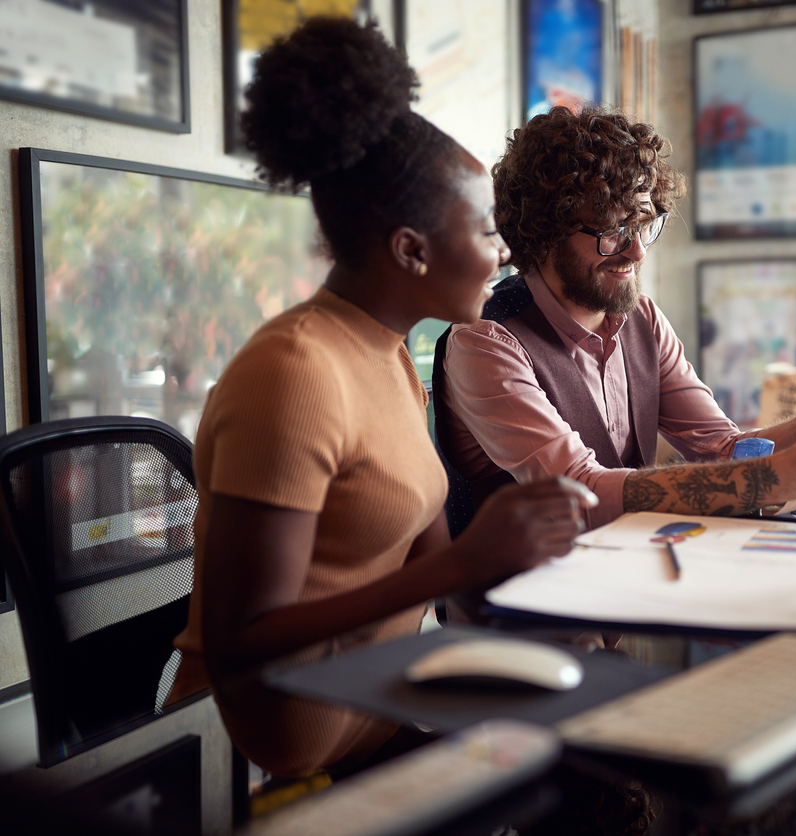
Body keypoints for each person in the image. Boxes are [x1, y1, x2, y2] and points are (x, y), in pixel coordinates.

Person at [165, 19, 593, 779]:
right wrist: (468, 562)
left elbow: (436, 564)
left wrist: (542, 562)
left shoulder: (395, 353)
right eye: (488, 232)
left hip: (380, 714)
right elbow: (242, 640)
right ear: (410, 249)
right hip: (264, 769)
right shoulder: (295, 373)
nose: (503, 253)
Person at [434, 105, 796, 537]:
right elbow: (580, 492)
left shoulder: (641, 318)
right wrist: (780, 477)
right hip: (515, 614)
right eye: (613, 229)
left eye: (644, 222)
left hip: (624, 590)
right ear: (543, 230)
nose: (637, 249)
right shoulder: (485, 341)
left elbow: (724, 451)